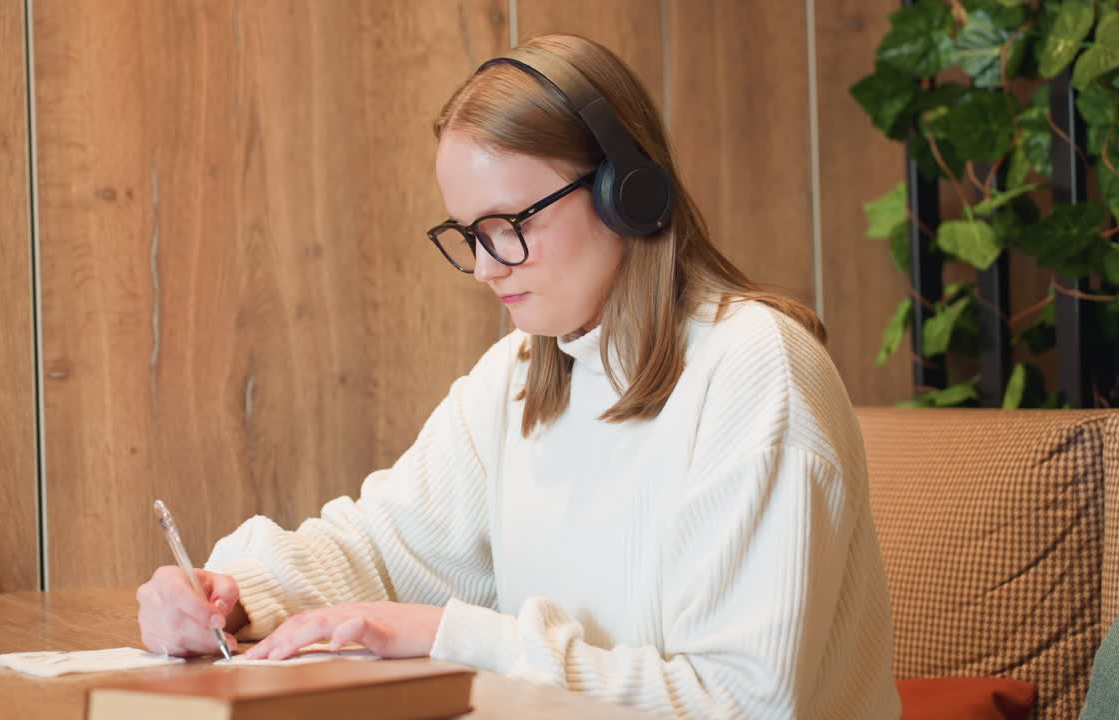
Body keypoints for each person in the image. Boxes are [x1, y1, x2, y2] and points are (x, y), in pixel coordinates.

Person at [136, 33, 902, 719]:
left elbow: (742, 704)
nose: (480, 267)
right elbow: (380, 549)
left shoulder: (754, 369)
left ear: (628, 192)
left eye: (509, 226)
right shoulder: (522, 375)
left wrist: (455, 637)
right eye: (468, 234)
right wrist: (232, 595)